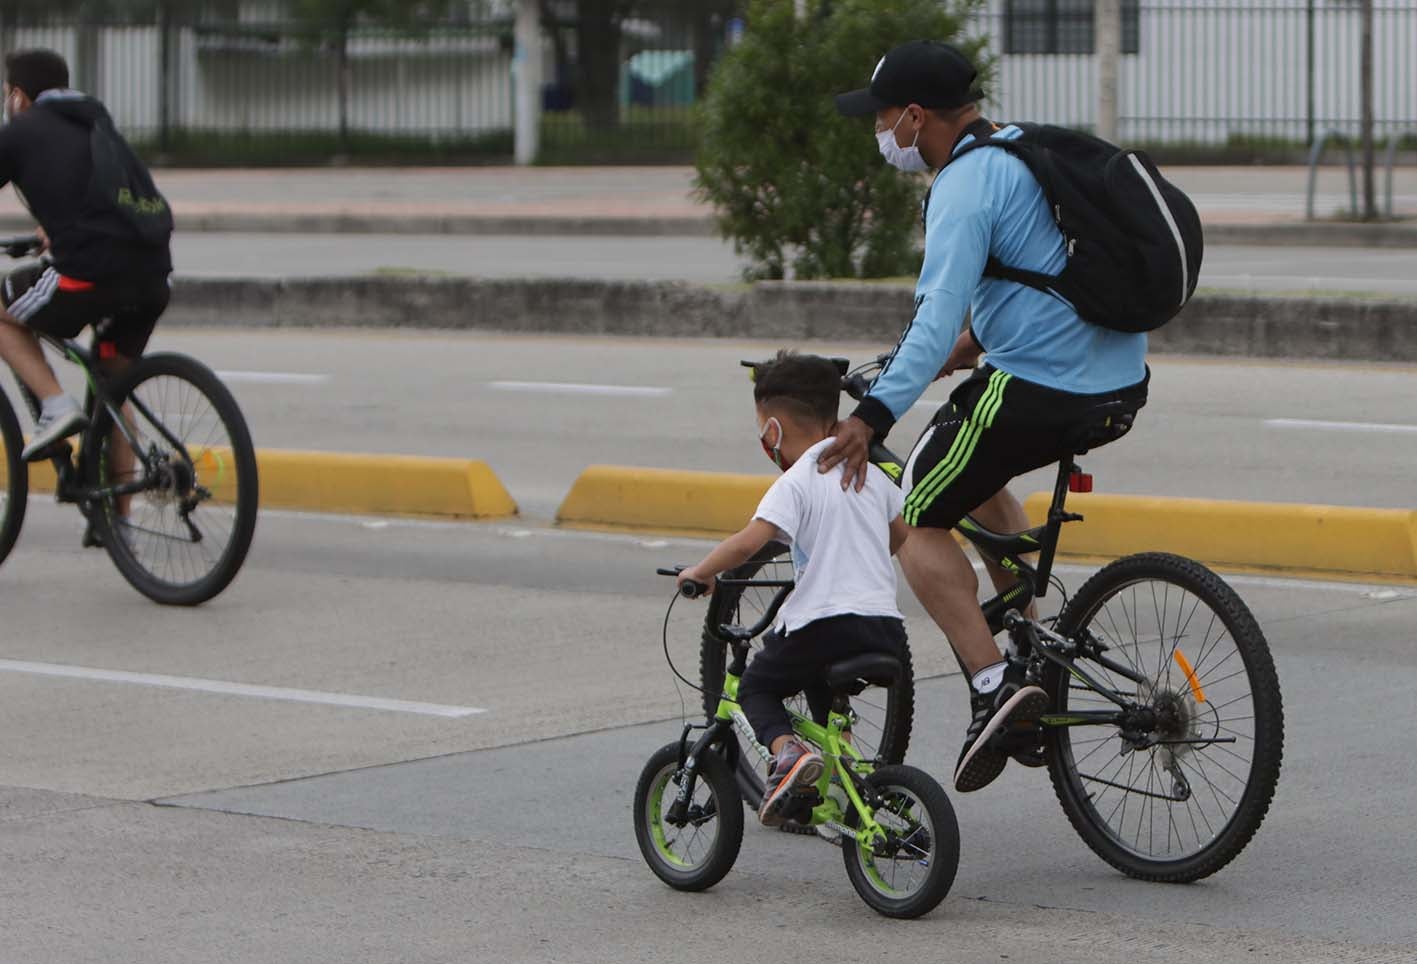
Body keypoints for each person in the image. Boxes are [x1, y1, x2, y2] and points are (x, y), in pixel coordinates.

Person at [827, 41, 1150, 793]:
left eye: (880, 117)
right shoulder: (1023, 152)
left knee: (913, 512)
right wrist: (978, 342)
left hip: (1042, 385)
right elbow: (1043, 272)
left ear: (913, 117)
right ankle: (1035, 632)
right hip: (1118, 382)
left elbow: (931, 317)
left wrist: (871, 414)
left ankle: (993, 687)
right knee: (969, 465)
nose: (878, 133)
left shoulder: (966, 182)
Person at [678, 351, 910, 827]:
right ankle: (840, 762)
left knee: (758, 687)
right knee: (814, 675)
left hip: (825, 622)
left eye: (763, 427)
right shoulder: (869, 476)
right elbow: (901, 536)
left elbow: (749, 542)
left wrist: (700, 572)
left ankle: (787, 755)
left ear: (774, 430)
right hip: (885, 627)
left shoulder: (798, 479)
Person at [0, 48, 172, 461]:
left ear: (19, 95)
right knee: (113, 389)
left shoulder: (21, 132)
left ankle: (56, 407)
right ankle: (117, 526)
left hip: (91, 273)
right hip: (151, 277)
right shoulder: (96, 122)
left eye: (6, 93)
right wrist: (54, 229)